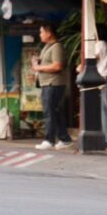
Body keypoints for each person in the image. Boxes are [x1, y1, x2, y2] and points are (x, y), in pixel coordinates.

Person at [32, 21, 72, 151]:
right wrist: (37, 62)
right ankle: (64, 138)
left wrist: (38, 67)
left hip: (53, 83)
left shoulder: (56, 47)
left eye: (41, 32)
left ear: (49, 33)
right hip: (47, 83)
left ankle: (49, 140)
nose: (40, 34)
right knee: (55, 111)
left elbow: (57, 66)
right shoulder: (47, 47)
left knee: (49, 112)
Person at [96, 23, 107, 145]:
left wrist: (81, 66)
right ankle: (105, 137)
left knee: (103, 110)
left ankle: (106, 139)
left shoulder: (99, 44)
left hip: (102, 79)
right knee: (104, 109)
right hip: (106, 79)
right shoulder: (105, 44)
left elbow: (92, 58)